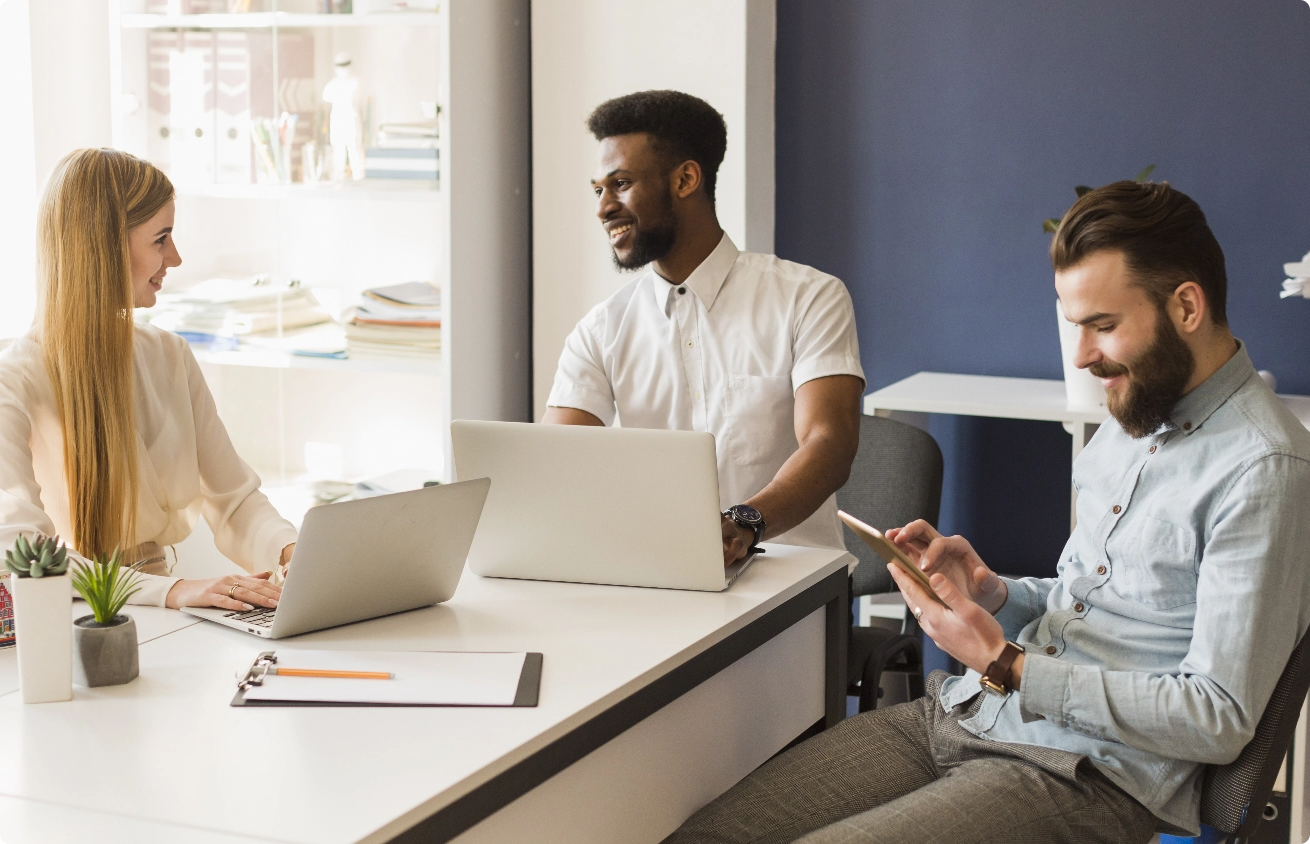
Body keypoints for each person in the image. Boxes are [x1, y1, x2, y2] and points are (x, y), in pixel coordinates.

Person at [664, 181, 1310, 843]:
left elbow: (1218, 715)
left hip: (1086, 774)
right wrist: (997, 593)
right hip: (970, 711)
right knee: (710, 835)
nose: (1085, 355)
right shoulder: (1134, 414)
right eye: (1076, 325)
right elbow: (1096, 598)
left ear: (1187, 306)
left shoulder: (1264, 470)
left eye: (1104, 325)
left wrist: (1010, 665)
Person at [544, 90, 865, 563]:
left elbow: (829, 444)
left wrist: (744, 525)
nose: (603, 207)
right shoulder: (600, 330)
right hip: (659, 575)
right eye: (599, 190)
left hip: (789, 582)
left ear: (686, 179)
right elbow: (554, 464)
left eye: (621, 183)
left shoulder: (809, 297)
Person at [0, 148, 297, 612]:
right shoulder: (13, 381)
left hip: (164, 610)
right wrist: (174, 591)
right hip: (74, 618)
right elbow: (21, 553)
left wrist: (292, 553)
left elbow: (235, 501)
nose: (175, 258)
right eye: (161, 239)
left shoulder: (169, 356)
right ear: (104, 247)